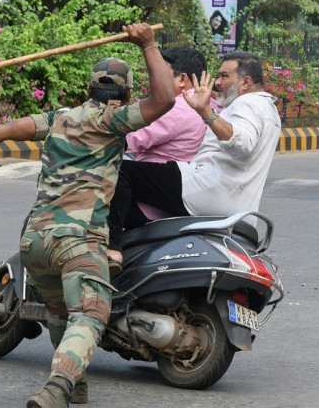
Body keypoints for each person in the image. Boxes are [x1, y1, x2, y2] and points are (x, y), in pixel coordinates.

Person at [0, 23, 181, 408]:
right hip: (78, 240)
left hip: (34, 242)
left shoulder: (59, 117)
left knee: (61, 312)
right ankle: (56, 390)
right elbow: (166, 99)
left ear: (89, 88)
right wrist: (150, 44)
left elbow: (6, 130)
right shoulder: (115, 121)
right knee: (91, 314)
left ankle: (74, 383)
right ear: (126, 94)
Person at [107, 51, 281, 263]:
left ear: (245, 82)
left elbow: (242, 143)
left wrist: (206, 111)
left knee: (120, 172)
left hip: (206, 188)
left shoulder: (247, 104)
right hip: (231, 201)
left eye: (225, 76)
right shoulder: (267, 109)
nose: (218, 83)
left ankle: (112, 248)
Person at [125, 47, 215, 164]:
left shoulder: (173, 107)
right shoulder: (213, 104)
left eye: (161, 75)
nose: (155, 80)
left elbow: (129, 139)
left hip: (155, 174)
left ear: (182, 79)